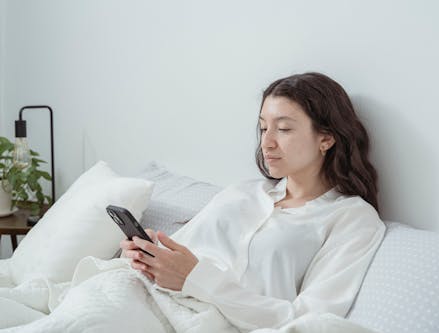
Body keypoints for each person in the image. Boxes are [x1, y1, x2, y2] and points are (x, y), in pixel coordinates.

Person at [119, 72, 386, 331]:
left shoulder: (351, 218)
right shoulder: (242, 192)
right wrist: (148, 255)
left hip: (199, 320)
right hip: (139, 292)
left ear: (326, 138)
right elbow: (182, 252)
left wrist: (196, 279)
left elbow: (311, 318)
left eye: (283, 129)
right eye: (263, 128)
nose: (266, 143)